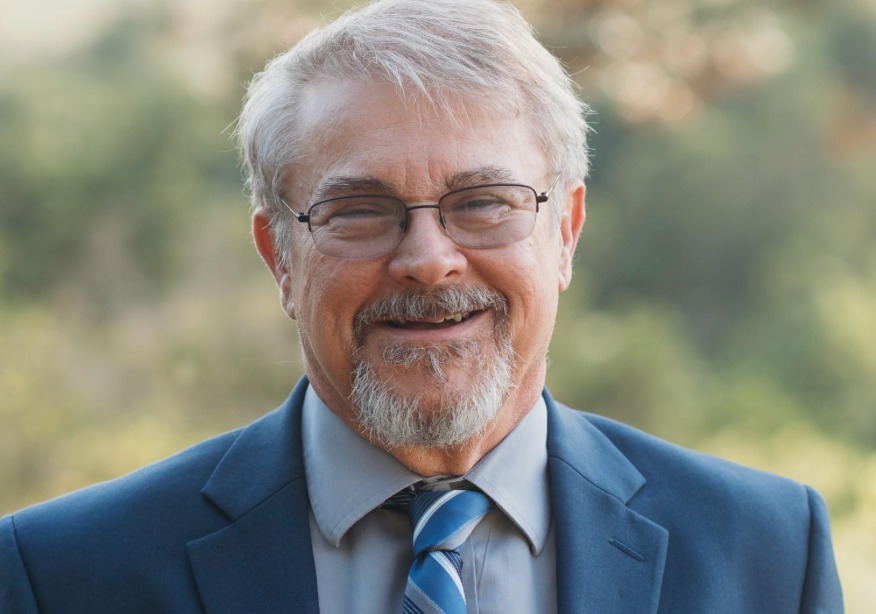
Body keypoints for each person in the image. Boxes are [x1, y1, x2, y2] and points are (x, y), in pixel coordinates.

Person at [0, 0, 843, 612]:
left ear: (567, 233)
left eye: (484, 201)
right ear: (280, 259)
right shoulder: (64, 574)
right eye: (358, 211)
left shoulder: (766, 552)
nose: (429, 261)